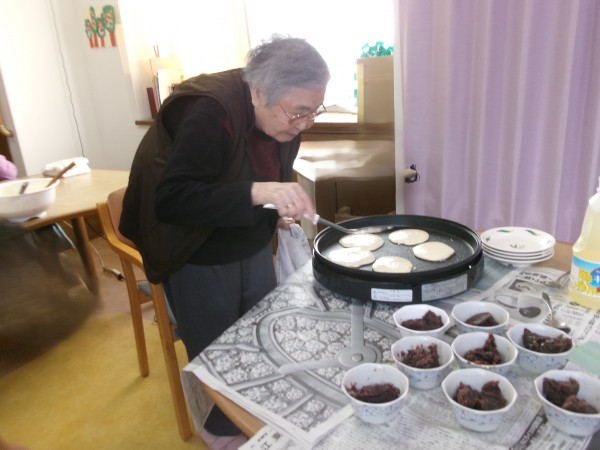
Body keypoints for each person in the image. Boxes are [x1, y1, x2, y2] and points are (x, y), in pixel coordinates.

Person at [119, 35, 330, 448]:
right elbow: (172, 200)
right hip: (194, 247)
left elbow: (267, 170)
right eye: (298, 112)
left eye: (313, 111)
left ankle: (255, 410)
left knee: (262, 336)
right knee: (218, 352)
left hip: (248, 237)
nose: (304, 124)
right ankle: (219, 430)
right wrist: (260, 192)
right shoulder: (209, 111)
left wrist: (278, 205)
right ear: (258, 91)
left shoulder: (284, 114)